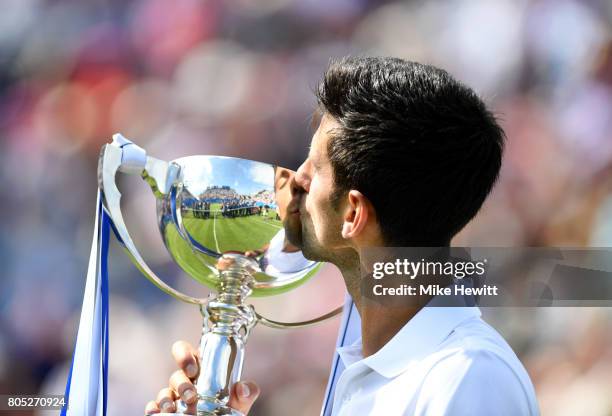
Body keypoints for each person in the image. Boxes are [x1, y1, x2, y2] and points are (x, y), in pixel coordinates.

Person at [145, 57, 540, 415]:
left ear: (353, 214)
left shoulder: (467, 378)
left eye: (314, 167)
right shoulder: (376, 366)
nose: (295, 177)